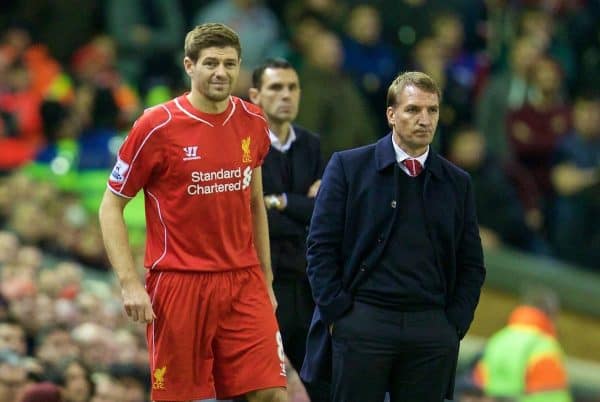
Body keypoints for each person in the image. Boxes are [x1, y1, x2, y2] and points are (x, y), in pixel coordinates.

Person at [98, 23, 288, 402]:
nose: (221, 72)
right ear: (189, 65)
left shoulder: (253, 120)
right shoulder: (156, 126)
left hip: (243, 281)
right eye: (211, 63)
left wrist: (266, 278)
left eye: (230, 64)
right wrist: (130, 283)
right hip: (179, 283)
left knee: (270, 393)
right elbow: (111, 206)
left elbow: (254, 204)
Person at [300, 71, 486, 402]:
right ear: (391, 115)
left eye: (432, 111)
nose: (424, 119)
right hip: (363, 320)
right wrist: (339, 315)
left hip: (430, 328)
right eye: (413, 110)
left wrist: (453, 324)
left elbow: (472, 263)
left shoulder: (457, 183)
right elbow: (320, 247)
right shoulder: (348, 167)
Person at [249, 58, 328, 402]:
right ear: (255, 96)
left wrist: (277, 201)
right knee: (258, 387)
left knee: (325, 382)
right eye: (276, 87)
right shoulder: (244, 145)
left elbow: (324, 214)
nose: (286, 95)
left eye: (292, 87)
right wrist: (299, 205)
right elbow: (251, 218)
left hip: (307, 284)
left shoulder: (311, 144)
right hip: (263, 285)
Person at [472, 289, 573, 401]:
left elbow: (479, 381)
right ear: (551, 315)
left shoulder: (498, 339)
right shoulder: (545, 346)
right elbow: (552, 397)